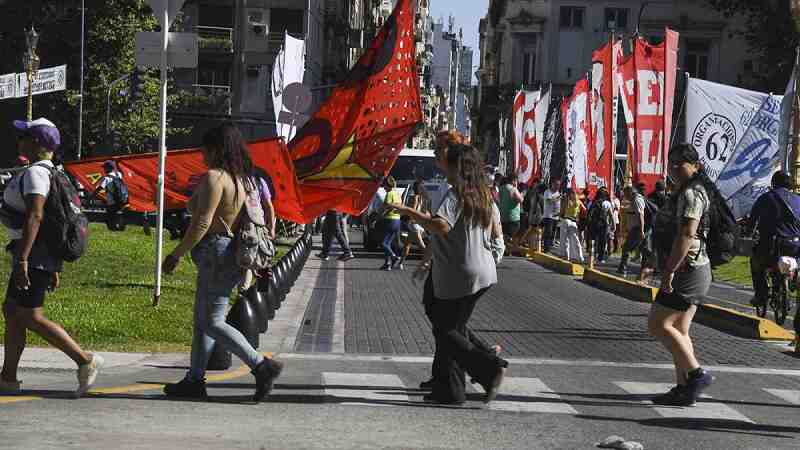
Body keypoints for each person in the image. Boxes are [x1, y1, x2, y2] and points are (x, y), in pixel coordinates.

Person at [161, 123, 283, 401]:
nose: (201, 154)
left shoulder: (215, 177)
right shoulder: (244, 180)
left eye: (204, 149)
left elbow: (202, 222)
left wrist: (176, 254)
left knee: (213, 321)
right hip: (233, 253)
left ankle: (261, 365)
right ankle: (194, 380)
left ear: (216, 149)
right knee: (202, 321)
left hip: (217, 252)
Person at [389, 143, 507, 405]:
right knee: (452, 327)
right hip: (482, 270)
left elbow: (441, 225)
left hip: (461, 273)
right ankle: (451, 390)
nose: (444, 171)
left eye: (448, 165)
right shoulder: (482, 193)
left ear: (457, 168)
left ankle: (488, 368)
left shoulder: (456, 195)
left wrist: (408, 212)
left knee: (446, 330)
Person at [0, 118, 103, 396]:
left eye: (24, 137)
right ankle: (7, 377)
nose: (19, 141)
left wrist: (24, 259)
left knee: (30, 316)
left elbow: (37, 216)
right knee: (11, 311)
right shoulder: (44, 171)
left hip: (32, 255)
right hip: (34, 254)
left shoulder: (36, 174)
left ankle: (85, 360)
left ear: (36, 143)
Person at [647, 143, 714, 407]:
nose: (674, 168)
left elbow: (687, 234)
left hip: (687, 270)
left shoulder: (691, 194)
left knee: (657, 324)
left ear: (695, 165)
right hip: (695, 268)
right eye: (671, 163)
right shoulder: (690, 190)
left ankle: (697, 375)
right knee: (679, 329)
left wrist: (669, 272)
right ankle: (684, 387)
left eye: (680, 164)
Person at [749, 171, 800, 308]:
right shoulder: (798, 199)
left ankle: (760, 295)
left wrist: (749, 232)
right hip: (795, 246)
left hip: (772, 246)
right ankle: (795, 278)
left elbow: (753, 219)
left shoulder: (766, 198)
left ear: (773, 183)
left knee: (756, 262)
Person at [618, 184, 653, 276]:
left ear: (630, 192)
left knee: (626, 247)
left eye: (625, 194)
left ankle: (623, 268)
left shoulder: (637, 200)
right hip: (637, 228)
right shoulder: (634, 200)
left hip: (639, 229)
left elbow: (640, 216)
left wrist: (641, 231)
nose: (625, 196)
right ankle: (644, 270)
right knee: (644, 250)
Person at [397, 179, 429, 271]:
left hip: (414, 224)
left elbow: (413, 210)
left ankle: (431, 262)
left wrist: (406, 212)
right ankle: (400, 263)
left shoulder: (414, 197)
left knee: (422, 246)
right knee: (407, 244)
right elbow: (424, 212)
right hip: (419, 224)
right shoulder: (423, 198)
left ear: (414, 188)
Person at [88, 160, 129, 231]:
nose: (104, 169)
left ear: (108, 168)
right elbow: (121, 171)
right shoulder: (118, 175)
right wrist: (118, 163)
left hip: (112, 202)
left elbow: (99, 188)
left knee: (110, 219)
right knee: (118, 215)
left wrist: (90, 197)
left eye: (105, 168)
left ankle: (114, 230)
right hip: (122, 200)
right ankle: (121, 227)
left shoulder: (106, 178)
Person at [378, 176, 403, 270]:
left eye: (384, 186)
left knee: (384, 243)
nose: (383, 188)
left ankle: (394, 257)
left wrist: (380, 216)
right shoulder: (397, 194)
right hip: (397, 220)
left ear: (388, 185)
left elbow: (388, 207)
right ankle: (387, 264)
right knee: (388, 243)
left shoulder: (389, 194)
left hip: (389, 220)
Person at [558, 188, 586, 263]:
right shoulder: (579, 201)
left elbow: (561, 211)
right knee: (575, 240)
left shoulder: (566, 201)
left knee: (564, 239)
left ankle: (564, 255)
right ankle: (579, 257)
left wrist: (559, 216)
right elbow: (585, 210)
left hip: (566, 220)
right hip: (574, 222)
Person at [587, 188, 614, 264]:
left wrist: (588, 224)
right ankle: (601, 258)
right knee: (602, 241)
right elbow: (611, 215)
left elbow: (588, 212)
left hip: (593, 224)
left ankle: (593, 256)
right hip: (603, 224)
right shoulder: (607, 203)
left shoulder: (592, 202)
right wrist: (613, 225)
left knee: (594, 241)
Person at [498, 174, 524, 241]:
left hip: (502, 216)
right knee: (512, 237)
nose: (517, 182)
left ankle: (505, 248)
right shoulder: (513, 189)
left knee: (504, 235)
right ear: (514, 180)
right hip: (513, 218)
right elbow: (520, 200)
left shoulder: (501, 188)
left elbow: (498, 200)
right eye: (516, 181)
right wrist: (521, 194)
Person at [542, 179, 562, 253]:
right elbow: (549, 201)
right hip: (548, 216)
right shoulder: (547, 192)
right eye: (556, 184)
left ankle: (549, 248)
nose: (558, 186)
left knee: (553, 234)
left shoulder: (558, 193)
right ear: (552, 184)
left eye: (559, 185)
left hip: (556, 216)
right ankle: (546, 248)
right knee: (548, 233)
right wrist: (558, 198)